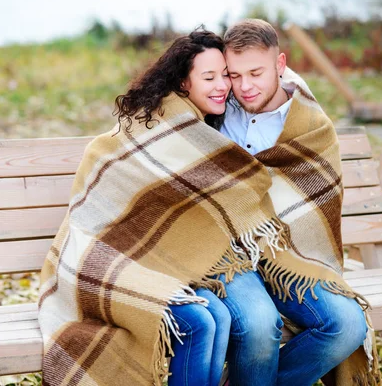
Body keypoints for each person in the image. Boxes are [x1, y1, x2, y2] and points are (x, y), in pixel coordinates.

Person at [38, 29, 235, 386]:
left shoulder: (203, 132)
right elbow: (95, 207)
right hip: (96, 262)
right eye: (209, 77)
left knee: (219, 316)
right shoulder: (149, 126)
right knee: (197, 322)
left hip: (159, 265)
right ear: (182, 83)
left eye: (225, 75)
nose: (222, 85)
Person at [209, 19, 381, 386]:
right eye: (234, 75)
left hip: (289, 256)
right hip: (226, 254)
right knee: (258, 326)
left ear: (280, 64)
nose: (245, 86)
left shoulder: (309, 126)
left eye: (255, 72)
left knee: (347, 323)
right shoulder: (217, 110)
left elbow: (315, 205)